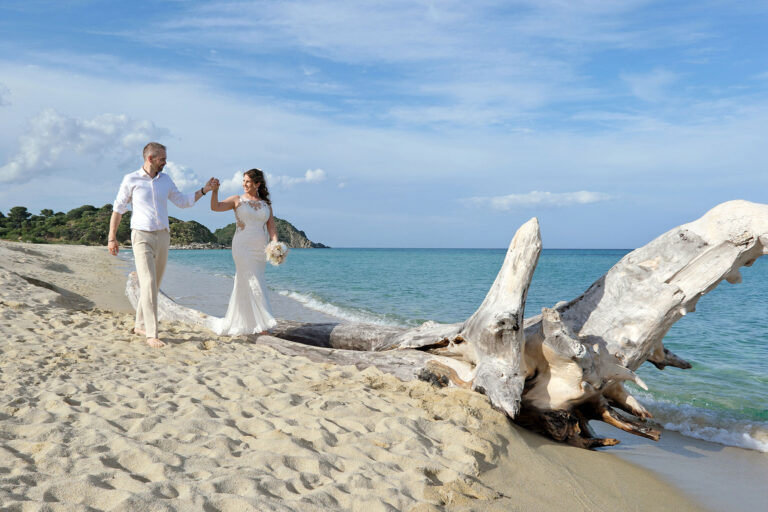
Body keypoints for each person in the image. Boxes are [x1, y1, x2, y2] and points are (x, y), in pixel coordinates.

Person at [108, 142, 215, 348]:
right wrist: (112, 238)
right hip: (141, 236)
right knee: (147, 283)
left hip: (163, 236)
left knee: (154, 286)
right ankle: (151, 333)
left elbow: (183, 201)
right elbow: (118, 210)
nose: (165, 162)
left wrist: (204, 190)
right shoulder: (130, 179)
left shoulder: (165, 180)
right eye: (162, 159)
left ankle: (140, 324)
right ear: (150, 158)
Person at [207, 168, 278, 335]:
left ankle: (250, 322)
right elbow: (215, 207)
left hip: (261, 249)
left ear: (257, 184)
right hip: (242, 247)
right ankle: (263, 325)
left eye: (248, 181)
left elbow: (271, 225)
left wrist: (275, 244)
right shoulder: (237, 200)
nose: (244, 184)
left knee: (255, 280)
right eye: (243, 181)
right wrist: (215, 191)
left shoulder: (266, 204)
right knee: (252, 280)